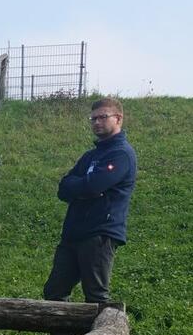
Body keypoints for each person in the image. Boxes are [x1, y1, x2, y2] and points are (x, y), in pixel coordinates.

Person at [44, 98, 137, 306]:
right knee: (54, 292)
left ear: (118, 118)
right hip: (73, 234)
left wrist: (84, 187)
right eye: (93, 118)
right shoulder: (90, 156)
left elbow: (93, 186)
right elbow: (64, 188)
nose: (96, 122)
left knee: (95, 297)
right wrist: (85, 187)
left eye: (102, 117)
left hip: (100, 233)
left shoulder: (121, 154)